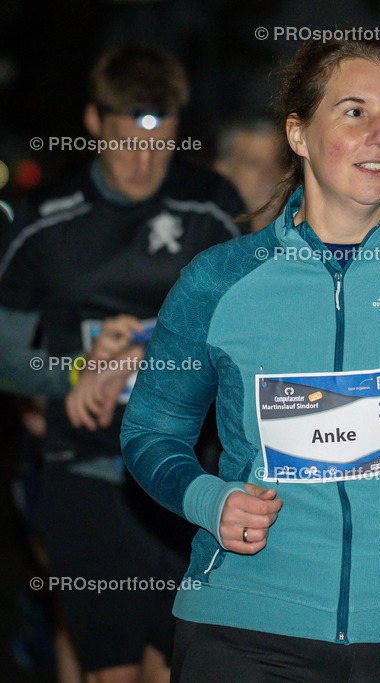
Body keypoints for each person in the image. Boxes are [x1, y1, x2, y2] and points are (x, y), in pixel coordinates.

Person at [120, 38, 380, 682]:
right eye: (354, 112)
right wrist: (210, 500)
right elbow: (151, 433)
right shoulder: (219, 281)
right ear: (298, 134)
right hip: (247, 625)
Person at [0, 44, 244, 682]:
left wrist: (150, 345)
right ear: (93, 122)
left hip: (190, 473)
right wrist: (77, 371)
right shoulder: (44, 221)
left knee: (177, 668)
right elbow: (4, 358)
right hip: (85, 473)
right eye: (128, 142)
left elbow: (250, 326)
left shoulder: (210, 206)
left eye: (160, 143)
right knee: (112, 674)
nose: (144, 163)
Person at [214, 117, 289, 232]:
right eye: (254, 163)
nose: (269, 175)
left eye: (280, 164)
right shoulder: (198, 236)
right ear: (223, 171)